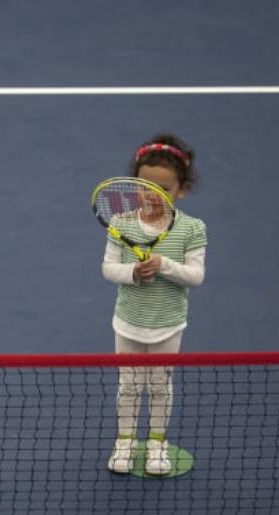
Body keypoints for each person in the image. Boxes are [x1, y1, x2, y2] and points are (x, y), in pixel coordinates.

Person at [102, 133, 206, 475]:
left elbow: (195, 276)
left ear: (182, 189)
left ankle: (157, 443)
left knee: (160, 386)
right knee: (129, 385)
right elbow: (108, 268)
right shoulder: (121, 223)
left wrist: (163, 265)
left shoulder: (192, 228)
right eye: (146, 186)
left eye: (165, 188)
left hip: (168, 323)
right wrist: (133, 271)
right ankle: (126, 441)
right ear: (134, 185)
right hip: (128, 321)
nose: (154, 195)